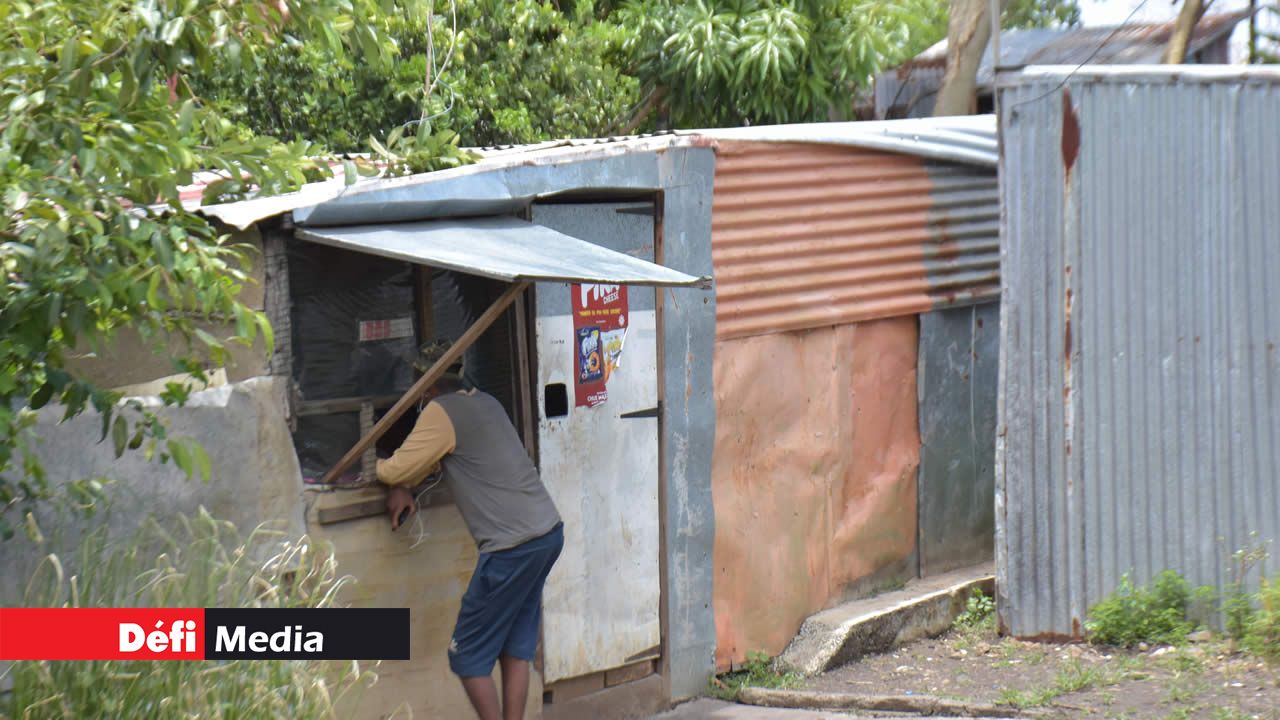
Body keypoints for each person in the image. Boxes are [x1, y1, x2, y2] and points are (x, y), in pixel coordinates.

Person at [377, 339, 563, 720]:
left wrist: (380, 469)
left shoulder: (440, 411)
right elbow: (442, 459)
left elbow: (395, 468)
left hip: (510, 548)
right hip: (546, 533)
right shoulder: (487, 402)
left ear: (425, 386)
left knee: (468, 656)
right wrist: (407, 486)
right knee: (515, 647)